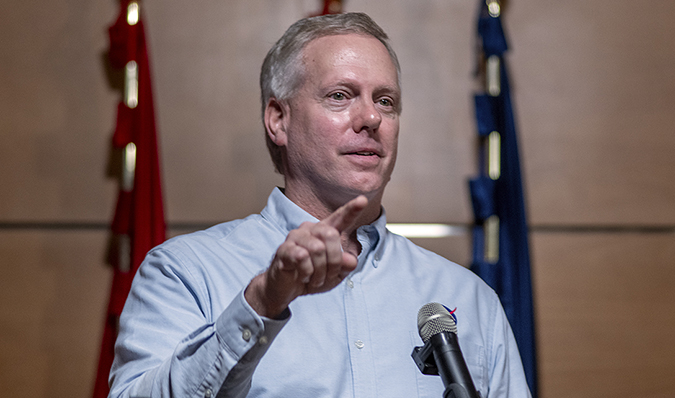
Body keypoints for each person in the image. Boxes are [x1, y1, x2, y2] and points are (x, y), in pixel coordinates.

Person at [109, 12, 531, 398]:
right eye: (340, 95)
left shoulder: (468, 298)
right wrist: (259, 305)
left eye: (385, 101)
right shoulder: (185, 273)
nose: (371, 118)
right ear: (279, 120)